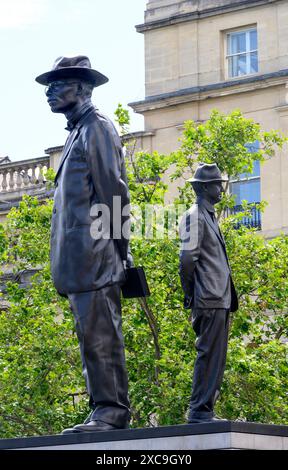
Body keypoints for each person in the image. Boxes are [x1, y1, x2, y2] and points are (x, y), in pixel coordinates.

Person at [35, 56, 131, 433]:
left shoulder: (98, 127)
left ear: (82, 88)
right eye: (49, 85)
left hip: (97, 259)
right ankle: (101, 411)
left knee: (102, 339)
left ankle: (111, 413)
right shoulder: (77, 132)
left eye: (58, 84)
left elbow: (114, 193)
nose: (49, 92)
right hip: (80, 262)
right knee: (91, 341)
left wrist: (120, 253)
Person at [179, 163, 238, 423]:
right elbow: (187, 259)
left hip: (219, 298)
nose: (221, 188)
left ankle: (205, 410)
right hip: (209, 297)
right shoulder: (195, 215)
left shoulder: (209, 215)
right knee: (208, 355)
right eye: (216, 184)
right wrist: (190, 292)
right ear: (203, 187)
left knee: (217, 358)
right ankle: (199, 411)